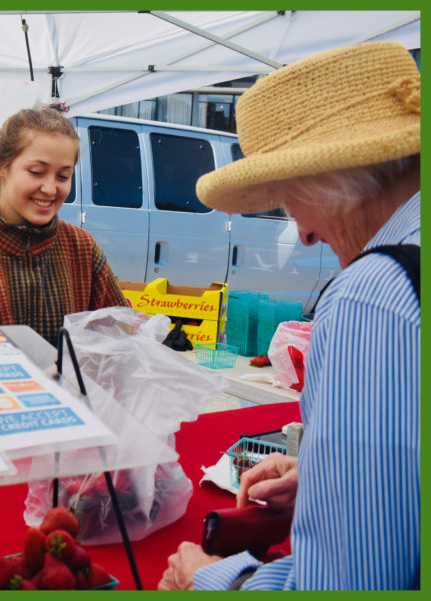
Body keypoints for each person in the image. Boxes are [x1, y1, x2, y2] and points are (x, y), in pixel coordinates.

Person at [159, 42, 419, 590]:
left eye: (288, 199)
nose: (301, 233)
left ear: (336, 180)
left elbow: (352, 582)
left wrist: (213, 579)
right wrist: (332, 483)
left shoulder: (370, 298)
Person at [0, 107, 126, 344]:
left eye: (63, 176)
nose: (50, 189)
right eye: (36, 172)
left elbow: (118, 335)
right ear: (0, 167)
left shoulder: (82, 249)